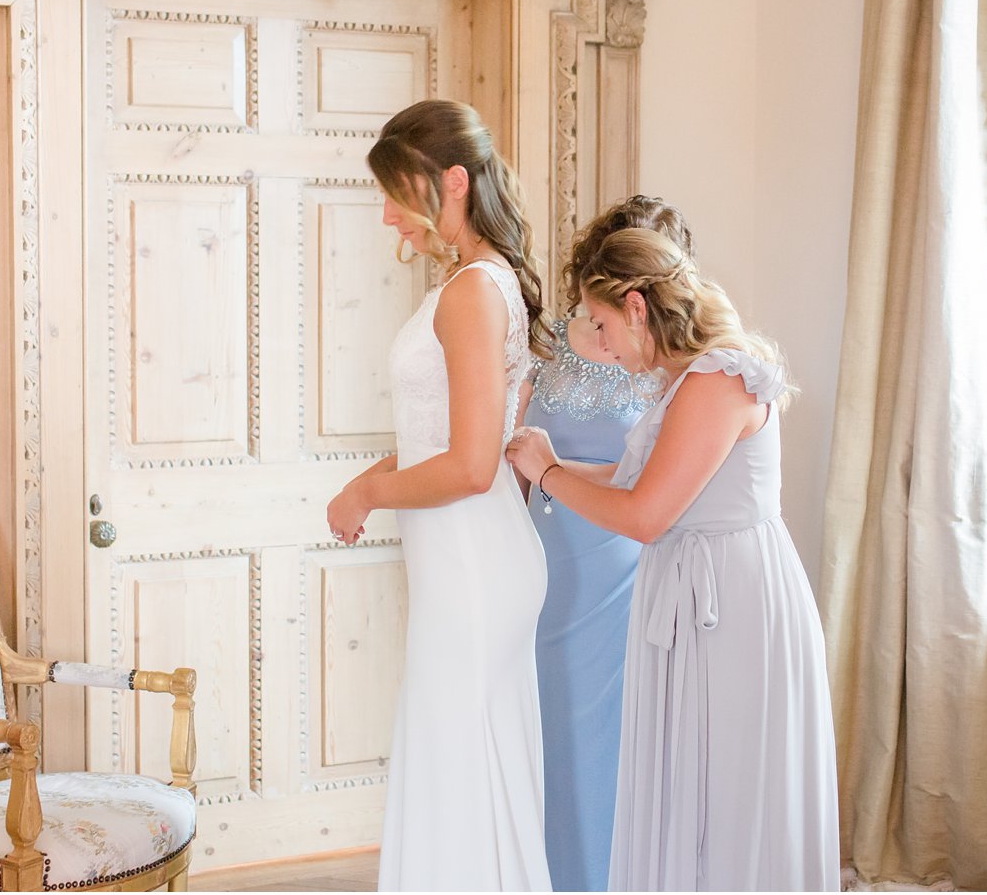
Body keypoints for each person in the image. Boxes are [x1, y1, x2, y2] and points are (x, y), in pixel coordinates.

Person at [506, 228, 839, 892]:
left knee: (730, 783)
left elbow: (645, 517)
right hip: (695, 591)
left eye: (602, 324)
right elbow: (634, 483)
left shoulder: (717, 380)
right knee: (693, 780)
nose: (600, 344)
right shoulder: (684, 380)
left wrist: (548, 476)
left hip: (733, 603)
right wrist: (549, 463)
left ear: (635, 306)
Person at [326, 99, 553, 892]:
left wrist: (371, 496)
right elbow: (454, 434)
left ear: (452, 181)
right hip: (472, 559)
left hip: (474, 563)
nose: (388, 214)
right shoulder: (475, 284)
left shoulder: (470, 293)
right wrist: (368, 479)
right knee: (463, 764)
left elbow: (469, 465)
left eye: (398, 193)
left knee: (457, 762)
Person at [514, 196, 692, 892]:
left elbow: (662, 478)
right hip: (543, 563)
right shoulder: (552, 341)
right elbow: (515, 452)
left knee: (611, 742)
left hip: (622, 567)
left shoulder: (668, 365)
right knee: (546, 733)